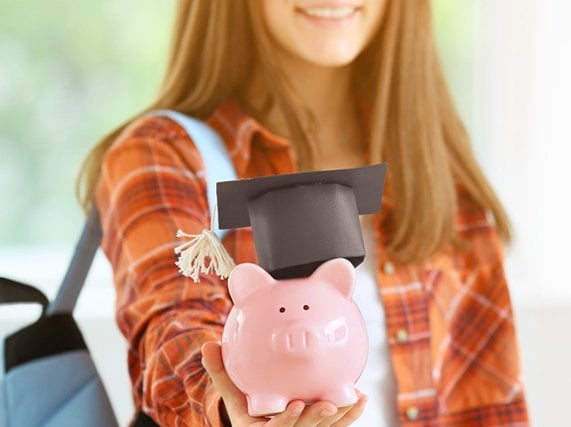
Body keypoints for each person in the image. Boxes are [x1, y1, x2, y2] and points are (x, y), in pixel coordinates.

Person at [77, 1, 528, 426]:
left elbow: (488, 401)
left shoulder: (431, 164)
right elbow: (173, 322)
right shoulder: (163, 154)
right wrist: (228, 406)